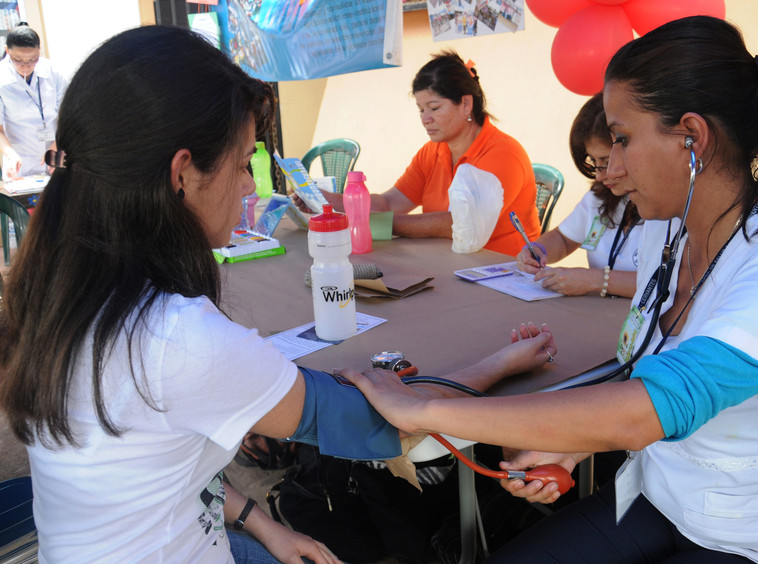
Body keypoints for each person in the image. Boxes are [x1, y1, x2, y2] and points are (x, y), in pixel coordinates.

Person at [0, 26, 556, 563]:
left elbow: (161, 463)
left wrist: (261, 524)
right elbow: (382, 422)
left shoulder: (60, 292)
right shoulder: (180, 336)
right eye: (244, 163)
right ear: (182, 174)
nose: (248, 185)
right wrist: (498, 364)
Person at [343, 15, 758, 563]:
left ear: (692, 137)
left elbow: (648, 408)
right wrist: (569, 448)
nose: (610, 167)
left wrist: (422, 411)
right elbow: (643, 377)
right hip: (659, 495)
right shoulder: (670, 235)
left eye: (623, 139)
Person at [295, 50, 541, 256]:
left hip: (504, 273)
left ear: (466, 104)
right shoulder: (432, 152)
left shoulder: (504, 154)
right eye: (420, 109)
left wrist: (381, 223)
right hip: (448, 263)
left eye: (434, 108)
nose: (425, 119)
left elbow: (459, 224)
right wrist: (328, 201)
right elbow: (390, 202)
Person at [517, 92, 642, 297]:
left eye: (606, 161)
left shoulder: (666, 205)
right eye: (594, 163)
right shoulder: (601, 196)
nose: (601, 175)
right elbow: (564, 238)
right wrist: (538, 250)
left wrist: (594, 280)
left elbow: (668, 284)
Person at [0, 22, 67, 178]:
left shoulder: (51, 71)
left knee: (60, 195)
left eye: (32, 59)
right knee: (24, 200)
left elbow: (68, 114)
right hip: (19, 156)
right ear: (7, 51)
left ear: (39, 51)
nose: (26, 66)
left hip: (56, 147)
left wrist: (57, 145)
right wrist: (10, 154)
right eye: (18, 60)